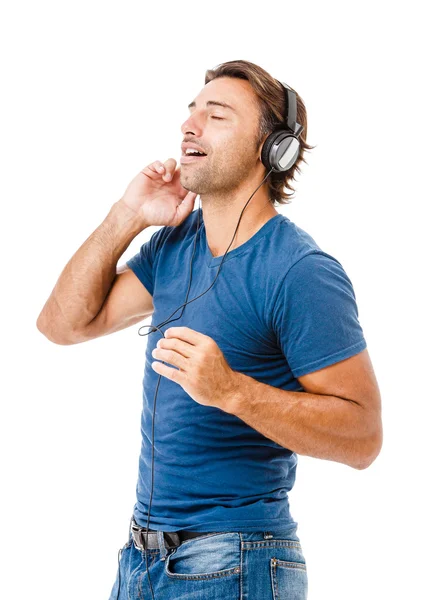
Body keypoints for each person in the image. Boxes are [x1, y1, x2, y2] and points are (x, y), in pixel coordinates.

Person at [36, 60, 382, 600]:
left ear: (273, 149)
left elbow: (364, 437)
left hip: (235, 562)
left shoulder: (299, 270)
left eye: (215, 115)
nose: (188, 127)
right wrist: (128, 215)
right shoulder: (177, 246)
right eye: (190, 113)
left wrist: (233, 391)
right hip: (141, 562)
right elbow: (62, 325)